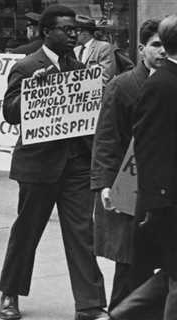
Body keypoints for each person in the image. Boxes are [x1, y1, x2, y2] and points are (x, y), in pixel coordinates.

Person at [0, 5, 107, 320]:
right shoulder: (27, 66)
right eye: (66, 29)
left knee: (82, 234)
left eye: (75, 29)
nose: (73, 34)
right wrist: (35, 89)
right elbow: (9, 112)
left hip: (76, 166)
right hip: (38, 166)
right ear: (47, 31)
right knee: (27, 233)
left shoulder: (80, 67)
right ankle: (10, 295)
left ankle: (89, 304)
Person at [91, 19, 166, 311]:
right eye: (155, 45)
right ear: (141, 48)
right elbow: (107, 139)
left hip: (165, 191)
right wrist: (105, 184)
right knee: (130, 266)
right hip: (130, 189)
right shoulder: (122, 86)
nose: (161, 52)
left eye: (166, 46)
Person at [124, 14, 177, 320]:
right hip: (169, 201)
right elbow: (149, 149)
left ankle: (122, 314)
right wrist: (156, 204)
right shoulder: (161, 84)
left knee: (172, 270)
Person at [73, 15, 116, 82]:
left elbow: (106, 76)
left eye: (77, 32)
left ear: (85, 34)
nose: (74, 35)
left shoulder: (103, 47)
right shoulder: (76, 50)